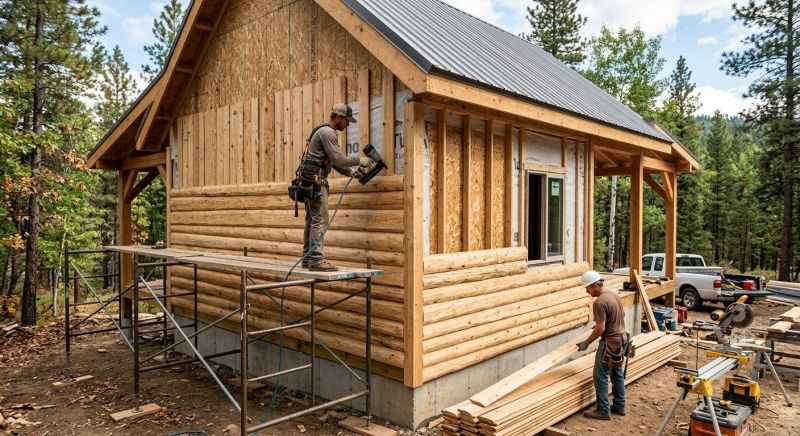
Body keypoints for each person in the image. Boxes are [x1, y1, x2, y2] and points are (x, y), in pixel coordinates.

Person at [298, 103, 373, 272]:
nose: (347, 125)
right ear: (338, 117)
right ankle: (316, 260)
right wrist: (359, 160)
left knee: (311, 220)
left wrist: (352, 173)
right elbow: (338, 159)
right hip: (316, 182)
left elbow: (333, 162)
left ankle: (307, 259)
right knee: (320, 220)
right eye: (346, 121)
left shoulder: (322, 131)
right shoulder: (328, 132)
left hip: (309, 180)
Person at [577, 270, 629, 420]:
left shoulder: (599, 302)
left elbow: (601, 328)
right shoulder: (613, 295)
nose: (587, 291)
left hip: (610, 343)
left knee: (600, 375)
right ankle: (619, 406)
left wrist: (587, 342)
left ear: (595, 285)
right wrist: (602, 324)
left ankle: (603, 410)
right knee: (616, 374)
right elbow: (619, 316)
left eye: (587, 288)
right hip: (622, 339)